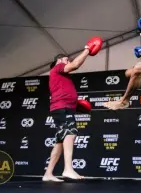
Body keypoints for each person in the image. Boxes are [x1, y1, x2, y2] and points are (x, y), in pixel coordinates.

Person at [42, 37, 102, 182]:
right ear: (61, 61)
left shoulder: (62, 77)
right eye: (67, 60)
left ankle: (48, 174)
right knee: (71, 132)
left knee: (60, 142)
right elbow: (75, 64)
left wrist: (76, 105)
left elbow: (65, 91)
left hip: (63, 107)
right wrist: (87, 49)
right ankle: (68, 169)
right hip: (62, 107)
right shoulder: (57, 68)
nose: (68, 62)